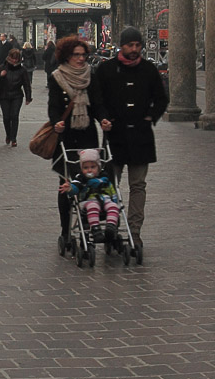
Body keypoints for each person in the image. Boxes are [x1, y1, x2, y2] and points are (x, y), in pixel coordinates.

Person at [95, 26, 169, 251]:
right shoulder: (106, 69)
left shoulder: (148, 69)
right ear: (122, 46)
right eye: (130, 46)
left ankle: (134, 232)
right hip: (115, 136)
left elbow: (162, 98)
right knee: (110, 185)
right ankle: (112, 228)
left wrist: (150, 117)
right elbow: (97, 98)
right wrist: (103, 118)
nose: (134, 50)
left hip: (140, 136)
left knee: (138, 186)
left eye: (137, 46)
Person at [47, 35, 107, 244]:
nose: (81, 59)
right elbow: (54, 105)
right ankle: (66, 230)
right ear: (67, 56)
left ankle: (89, 221)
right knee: (66, 184)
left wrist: (103, 119)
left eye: (83, 55)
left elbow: (98, 103)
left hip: (87, 135)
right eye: (76, 55)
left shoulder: (91, 75)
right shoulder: (56, 77)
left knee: (90, 180)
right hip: (66, 136)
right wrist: (56, 122)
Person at [59, 147, 119, 241]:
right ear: (81, 168)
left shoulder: (104, 178)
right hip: (88, 202)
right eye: (86, 168)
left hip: (105, 199)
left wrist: (115, 200)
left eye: (92, 167)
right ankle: (96, 230)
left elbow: (112, 190)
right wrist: (70, 188)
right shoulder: (81, 179)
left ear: (98, 167)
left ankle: (110, 227)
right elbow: (75, 187)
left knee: (113, 206)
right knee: (93, 206)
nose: (89, 170)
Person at [0, 46, 32, 146]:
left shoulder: (22, 70)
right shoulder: (3, 67)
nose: (14, 61)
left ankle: (14, 138)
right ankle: (8, 135)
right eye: (13, 58)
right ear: (9, 58)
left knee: (14, 115)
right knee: (6, 117)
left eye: (16, 59)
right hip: (4, 95)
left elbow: (27, 84)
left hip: (17, 95)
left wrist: (28, 97)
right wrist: (1, 75)